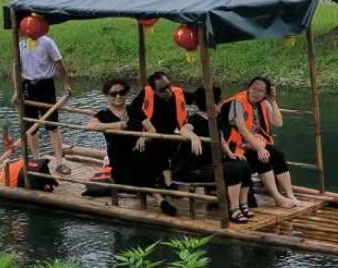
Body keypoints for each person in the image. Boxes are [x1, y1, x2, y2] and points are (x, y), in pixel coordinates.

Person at [173, 85, 255, 222]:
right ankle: (233, 209)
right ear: (213, 103)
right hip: (194, 168)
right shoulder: (196, 118)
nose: (222, 103)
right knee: (233, 169)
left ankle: (243, 203)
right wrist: (193, 137)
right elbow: (185, 129)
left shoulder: (215, 118)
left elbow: (221, 138)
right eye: (219, 100)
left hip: (210, 164)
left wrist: (230, 154)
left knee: (243, 163)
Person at [223, 76, 299, 208]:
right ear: (249, 88)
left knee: (277, 153)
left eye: (260, 91)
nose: (255, 93)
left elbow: (278, 122)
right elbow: (242, 130)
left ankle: (289, 194)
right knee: (262, 158)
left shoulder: (264, 103)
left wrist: (273, 101)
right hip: (235, 146)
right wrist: (259, 148)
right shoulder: (237, 102)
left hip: (253, 144)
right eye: (253, 89)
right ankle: (278, 197)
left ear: (265, 93)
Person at [137, 70, 203, 216]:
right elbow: (134, 115)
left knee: (186, 144)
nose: (168, 91)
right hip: (151, 137)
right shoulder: (146, 96)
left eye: (169, 86)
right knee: (149, 148)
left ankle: (175, 178)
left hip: (172, 137)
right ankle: (163, 184)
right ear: (154, 90)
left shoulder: (178, 93)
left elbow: (198, 98)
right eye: (162, 89)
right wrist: (141, 135)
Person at [13, 25, 73, 175]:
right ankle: (36, 159)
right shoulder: (21, 45)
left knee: (52, 125)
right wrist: (17, 89)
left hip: (45, 86)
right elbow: (15, 68)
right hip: (28, 86)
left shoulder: (46, 42)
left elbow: (59, 63)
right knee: (31, 126)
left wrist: (65, 83)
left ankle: (59, 162)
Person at [82, 78, 152, 200]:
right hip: (119, 158)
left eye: (122, 92)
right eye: (114, 94)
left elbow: (152, 130)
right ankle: (151, 192)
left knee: (143, 165)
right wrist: (113, 126)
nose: (118, 96)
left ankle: (150, 188)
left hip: (139, 154)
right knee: (130, 182)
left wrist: (143, 137)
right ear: (107, 96)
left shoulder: (134, 111)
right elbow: (89, 126)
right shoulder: (103, 115)